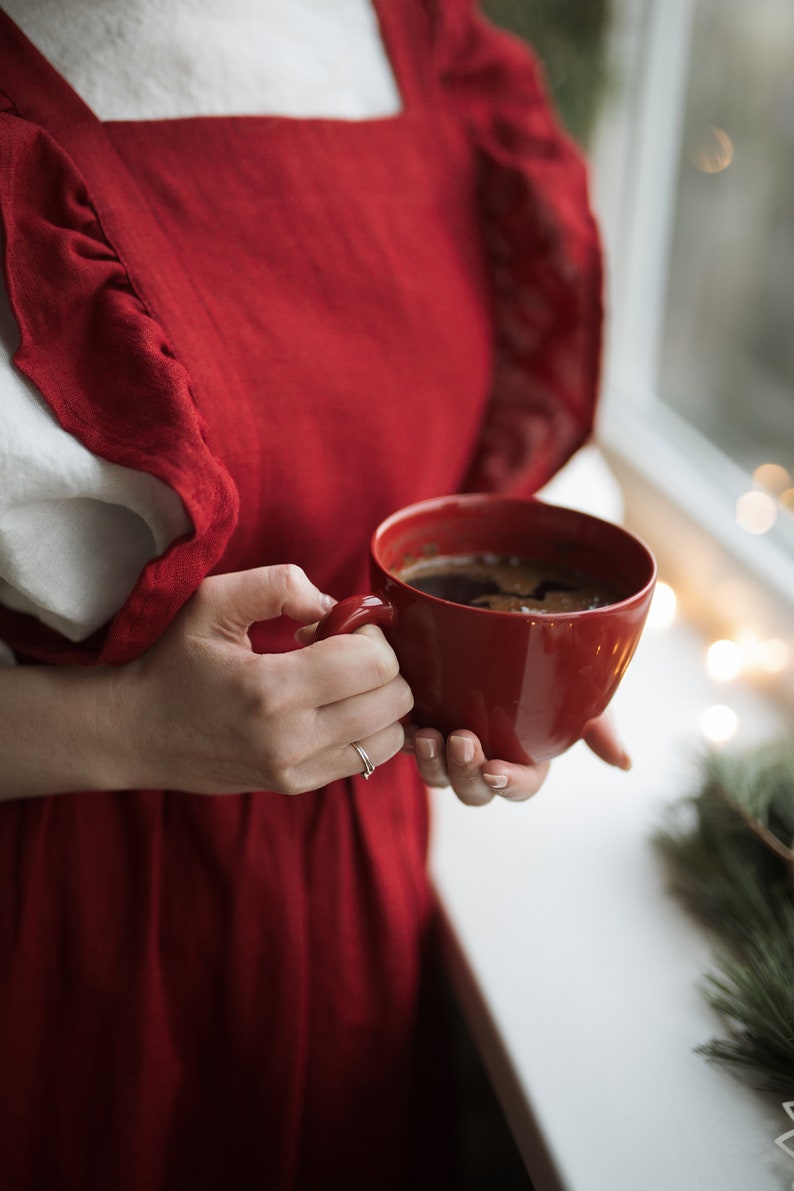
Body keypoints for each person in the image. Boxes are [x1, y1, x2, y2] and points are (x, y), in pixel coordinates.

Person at [0, 1, 629, 1187]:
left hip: (353, 918)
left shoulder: (435, 50)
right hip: (71, 945)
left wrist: (508, 667)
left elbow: (452, 503)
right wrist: (127, 724)